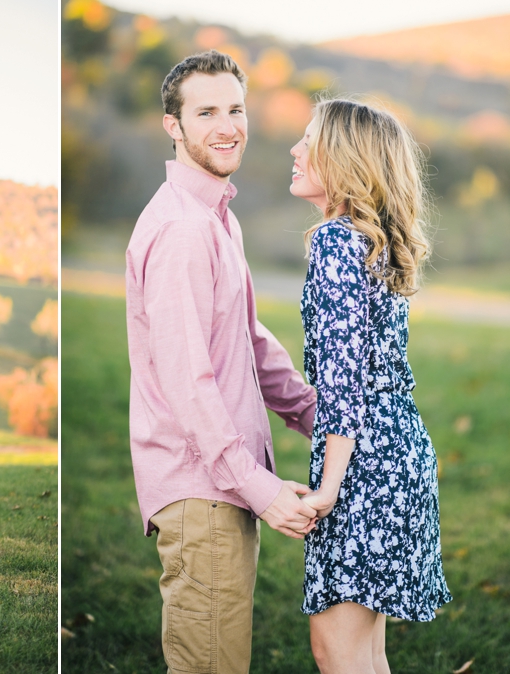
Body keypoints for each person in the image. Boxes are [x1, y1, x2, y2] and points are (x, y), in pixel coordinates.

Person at [125, 50, 319, 674]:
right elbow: (189, 384)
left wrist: (317, 412)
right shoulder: (183, 230)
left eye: (234, 108)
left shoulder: (216, 218)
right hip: (203, 487)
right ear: (173, 125)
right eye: (205, 112)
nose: (227, 125)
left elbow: (246, 336)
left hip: (220, 487)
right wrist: (260, 489)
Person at [290, 99, 451, 673]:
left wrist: (329, 487)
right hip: (399, 446)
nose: (294, 149)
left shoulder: (337, 243)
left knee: (339, 653)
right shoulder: (373, 241)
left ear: (342, 158)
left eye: (308, 140)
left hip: (363, 465)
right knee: (366, 653)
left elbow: (343, 379)